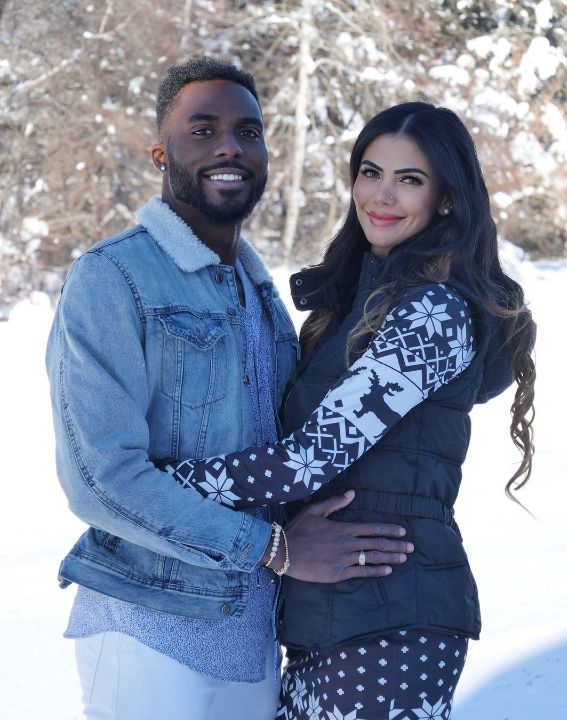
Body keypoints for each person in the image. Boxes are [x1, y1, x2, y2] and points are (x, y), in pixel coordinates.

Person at [45, 58, 414, 720]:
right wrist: (274, 549)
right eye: (203, 129)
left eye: (249, 131)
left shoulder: (260, 293)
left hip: (252, 640)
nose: (229, 147)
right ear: (161, 151)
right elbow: (100, 479)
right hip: (148, 632)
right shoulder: (114, 278)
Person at [162, 102, 536, 719]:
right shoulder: (358, 308)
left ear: (446, 196)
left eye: (409, 179)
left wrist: (163, 483)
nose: (381, 195)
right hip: (330, 616)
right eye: (370, 172)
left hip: (391, 617)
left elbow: (309, 460)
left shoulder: (432, 314)